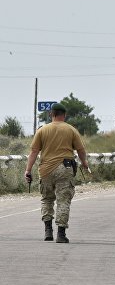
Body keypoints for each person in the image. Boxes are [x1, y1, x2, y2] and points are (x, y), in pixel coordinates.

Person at [24, 103, 89, 243]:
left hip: (46, 170)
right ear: (64, 115)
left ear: (51, 114)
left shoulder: (42, 130)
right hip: (65, 169)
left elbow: (34, 151)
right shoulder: (71, 130)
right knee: (63, 200)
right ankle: (61, 233)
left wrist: (28, 170)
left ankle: (48, 230)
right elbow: (81, 150)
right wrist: (84, 164)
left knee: (47, 199)